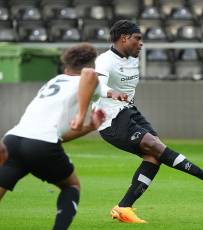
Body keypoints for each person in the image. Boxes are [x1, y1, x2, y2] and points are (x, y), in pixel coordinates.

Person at [94, 20, 203, 223]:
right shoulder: (105, 60)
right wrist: (113, 92)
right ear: (124, 38)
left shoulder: (133, 59)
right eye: (137, 39)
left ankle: (124, 207)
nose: (141, 44)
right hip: (109, 119)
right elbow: (97, 86)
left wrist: (123, 98)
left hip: (128, 111)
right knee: (154, 146)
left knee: (154, 155)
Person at [0, 43, 121, 230]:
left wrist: (90, 127)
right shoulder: (89, 78)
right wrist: (81, 116)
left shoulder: (54, 81)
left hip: (13, 140)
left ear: (66, 68)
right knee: (71, 186)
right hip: (40, 144)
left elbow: (59, 136)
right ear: (92, 64)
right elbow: (88, 75)